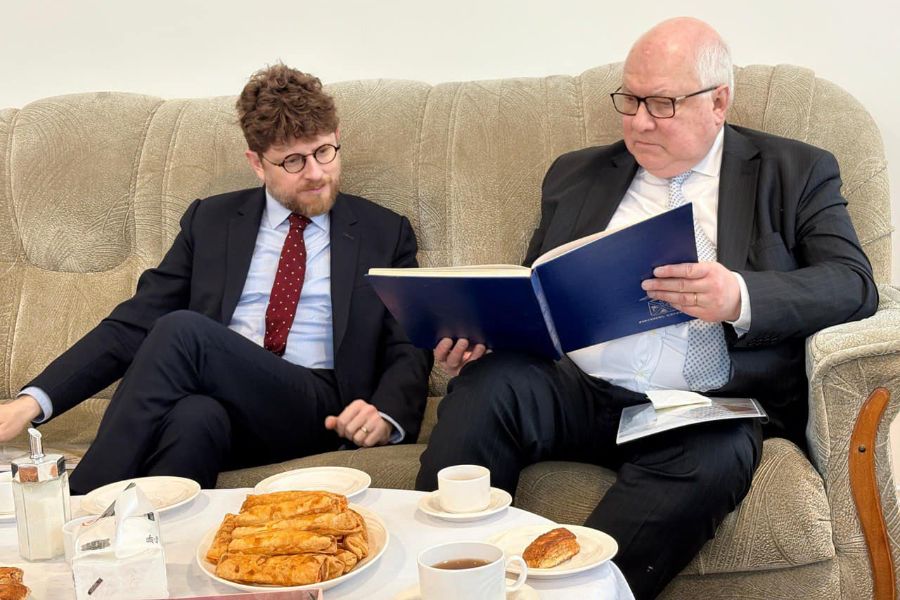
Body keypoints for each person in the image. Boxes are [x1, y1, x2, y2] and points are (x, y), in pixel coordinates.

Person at [416, 17, 877, 599]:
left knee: (719, 451)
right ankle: (439, 580)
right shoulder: (575, 174)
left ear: (718, 102)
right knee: (488, 384)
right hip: (579, 391)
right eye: (630, 100)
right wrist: (487, 333)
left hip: (702, 409)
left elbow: (854, 284)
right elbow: (536, 289)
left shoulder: (795, 171)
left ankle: (573, 594)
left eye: (661, 104)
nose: (638, 121)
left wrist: (739, 296)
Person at [0, 64, 432, 494]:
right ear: (257, 164)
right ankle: (143, 530)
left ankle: (78, 502)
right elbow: (135, 321)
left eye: (324, 152)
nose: (316, 172)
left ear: (336, 136)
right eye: (293, 161)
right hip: (227, 408)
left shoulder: (383, 232)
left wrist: (386, 414)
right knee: (194, 420)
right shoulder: (210, 221)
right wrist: (31, 403)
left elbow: (409, 343)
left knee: (182, 331)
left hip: (317, 408)